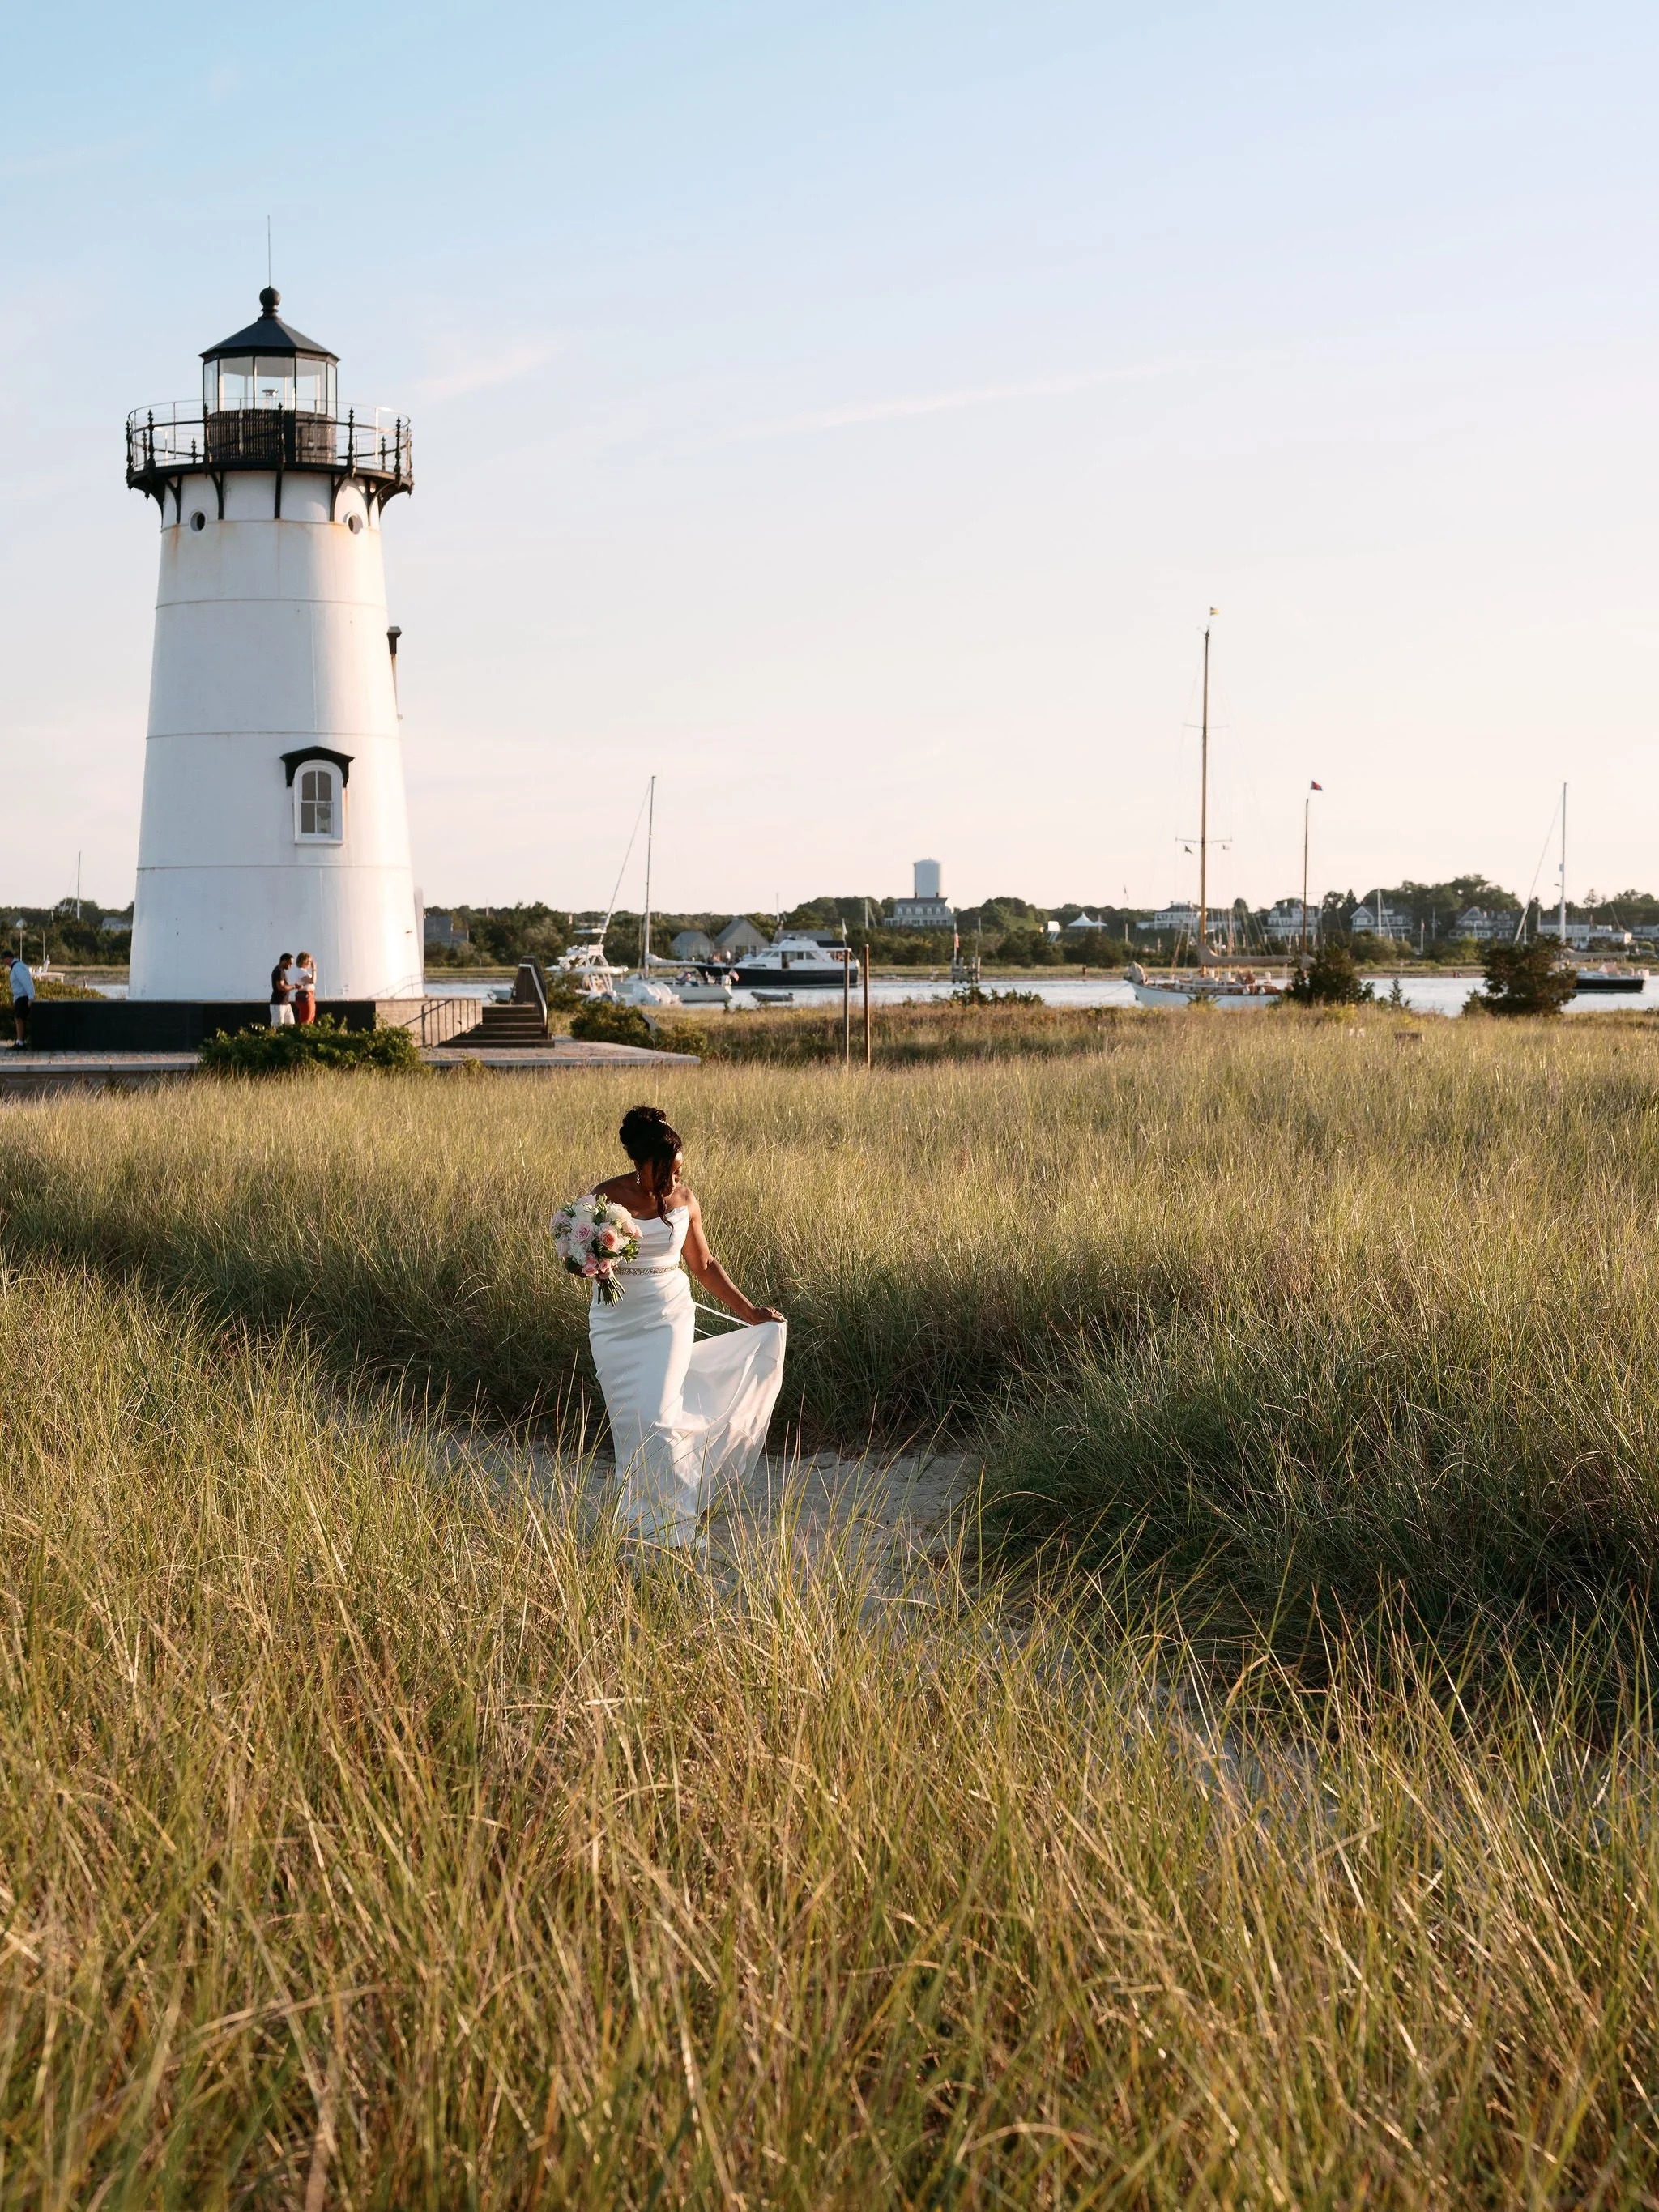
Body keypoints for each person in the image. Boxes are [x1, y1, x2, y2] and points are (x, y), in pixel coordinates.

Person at [584, 1104, 786, 1550]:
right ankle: (638, 1520)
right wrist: (588, 1264)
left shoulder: (685, 1200)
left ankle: (675, 1529)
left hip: (668, 1318)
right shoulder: (603, 1200)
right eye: (664, 1173)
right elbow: (579, 1259)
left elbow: (705, 1264)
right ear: (640, 1164)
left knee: (659, 1416)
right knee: (633, 1424)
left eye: (678, 1172)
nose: (673, 1183)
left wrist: (750, 1312)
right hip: (614, 1324)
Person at [9, 953, 34, 1046]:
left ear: (8, 958)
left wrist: (31, 997)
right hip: (19, 997)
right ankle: (20, 1041)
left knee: (19, 1018)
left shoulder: (18, 968)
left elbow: (27, 982)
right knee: (18, 1018)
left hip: (23, 997)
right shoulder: (15, 967)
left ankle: (21, 1042)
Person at [270, 953, 295, 1027]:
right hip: (278, 1004)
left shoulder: (282, 971)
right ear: (283, 961)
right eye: (289, 963)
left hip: (285, 1003)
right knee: (278, 1026)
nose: (290, 966)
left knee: (291, 1025)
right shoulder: (279, 971)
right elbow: (281, 987)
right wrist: (294, 986)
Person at [292, 951, 317, 1025]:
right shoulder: (301, 971)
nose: (310, 963)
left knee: (310, 1017)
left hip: (310, 996)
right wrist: (314, 969)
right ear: (304, 961)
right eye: (309, 961)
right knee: (306, 1018)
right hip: (306, 997)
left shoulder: (304, 972)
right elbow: (312, 981)